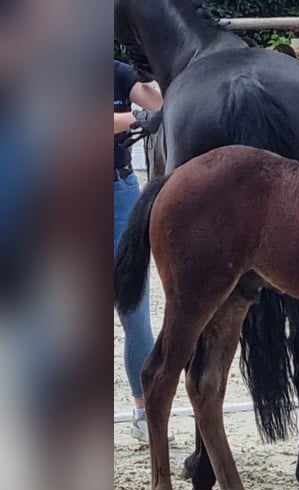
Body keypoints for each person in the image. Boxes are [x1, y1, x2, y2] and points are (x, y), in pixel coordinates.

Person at [113, 59, 174, 443]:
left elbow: (156, 101)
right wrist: (134, 117)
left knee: (135, 309)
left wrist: (162, 70)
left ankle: (144, 408)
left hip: (121, 190)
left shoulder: (116, 70)